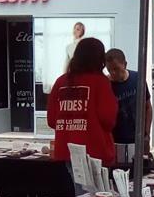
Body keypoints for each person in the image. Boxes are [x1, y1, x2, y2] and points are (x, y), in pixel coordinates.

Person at [47, 37, 118, 165]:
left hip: (65, 152)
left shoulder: (61, 82)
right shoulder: (100, 82)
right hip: (95, 154)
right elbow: (108, 120)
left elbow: (52, 121)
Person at [105, 48, 153, 154]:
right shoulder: (106, 85)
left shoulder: (137, 78)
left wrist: (147, 134)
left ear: (125, 64)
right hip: (116, 139)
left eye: (116, 69)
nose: (113, 73)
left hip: (137, 136)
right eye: (109, 70)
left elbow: (148, 107)